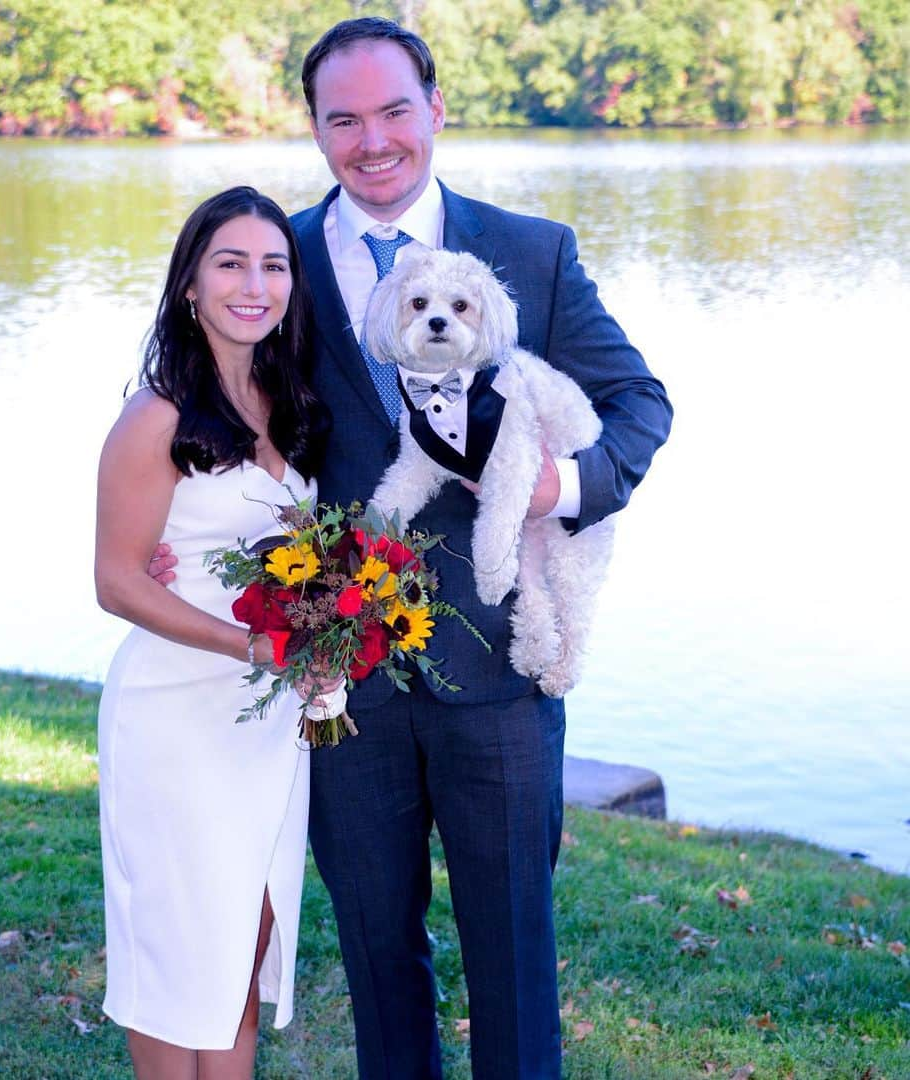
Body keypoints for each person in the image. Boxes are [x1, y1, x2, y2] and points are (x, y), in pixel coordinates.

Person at [150, 19, 673, 1079]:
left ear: (435, 109)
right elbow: (199, 408)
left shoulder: (532, 252)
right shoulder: (271, 258)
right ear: (315, 128)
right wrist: (179, 539)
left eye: (394, 111)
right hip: (343, 677)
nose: (372, 140)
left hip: (501, 672)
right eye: (344, 119)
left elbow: (637, 407)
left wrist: (553, 486)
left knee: (515, 957)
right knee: (377, 957)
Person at [94, 185, 329, 1080]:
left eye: (273, 265)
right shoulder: (155, 416)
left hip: (269, 723)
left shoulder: (292, 401)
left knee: (241, 942)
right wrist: (250, 648)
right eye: (230, 262)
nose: (254, 284)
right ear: (191, 282)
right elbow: (116, 581)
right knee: (173, 955)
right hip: (176, 713)